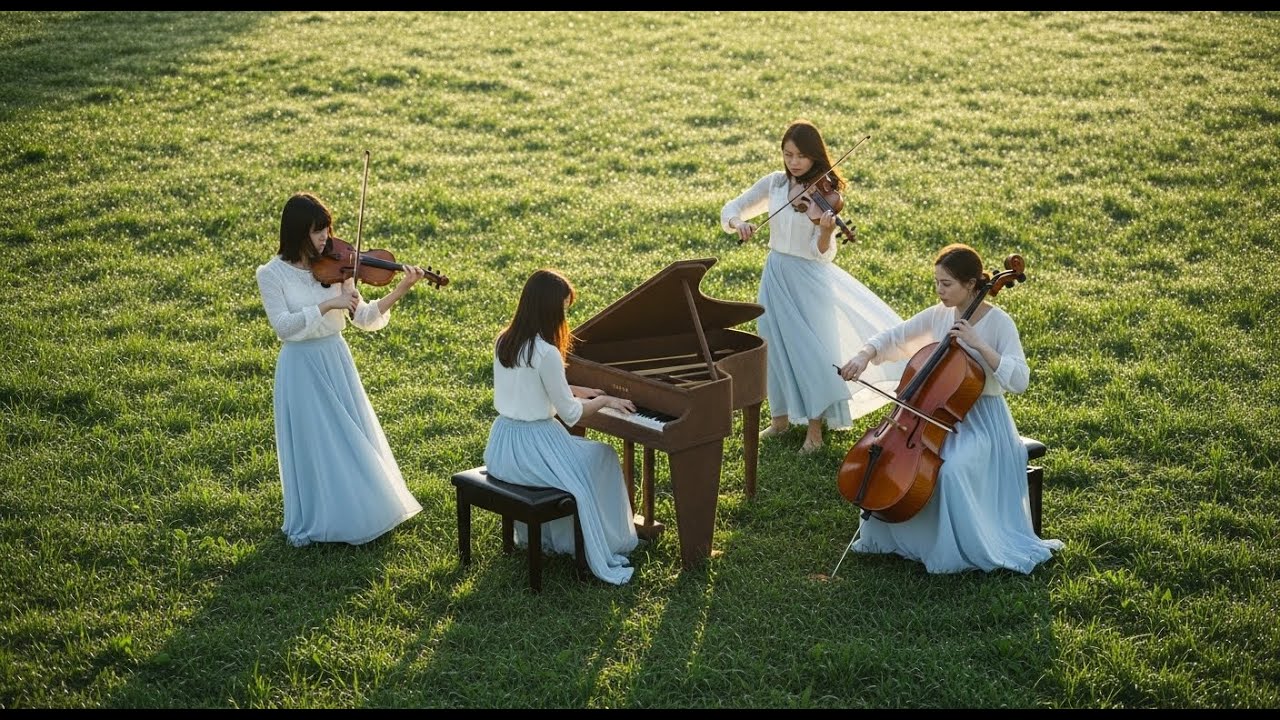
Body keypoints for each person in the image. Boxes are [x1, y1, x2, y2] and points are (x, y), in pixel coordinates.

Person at [838, 242, 1064, 574]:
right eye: (937, 283)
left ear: (972, 284)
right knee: (890, 460)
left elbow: (1019, 380)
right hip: (930, 417)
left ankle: (955, 548)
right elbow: (895, 337)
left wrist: (979, 344)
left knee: (951, 468)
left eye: (947, 284)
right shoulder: (938, 315)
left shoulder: (1000, 324)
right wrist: (864, 355)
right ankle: (900, 539)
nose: (939, 291)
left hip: (983, 420)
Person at [723, 119, 906, 455]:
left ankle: (815, 430)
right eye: (788, 154)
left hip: (808, 278)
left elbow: (822, 254)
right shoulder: (776, 184)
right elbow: (732, 208)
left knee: (812, 352)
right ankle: (779, 419)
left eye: (802, 157)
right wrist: (739, 224)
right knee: (772, 344)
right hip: (775, 272)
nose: (794, 162)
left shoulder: (826, 194)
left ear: (816, 157)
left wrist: (824, 232)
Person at [255, 191, 427, 547]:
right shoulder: (271, 274)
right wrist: (329, 302)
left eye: (327, 230)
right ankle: (323, 515)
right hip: (300, 366)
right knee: (315, 443)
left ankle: (359, 510)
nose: (326, 239)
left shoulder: (339, 266)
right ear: (298, 233)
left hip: (335, 357)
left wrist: (402, 288)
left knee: (350, 437)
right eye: (318, 232)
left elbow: (364, 318)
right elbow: (284, 327)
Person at [483, 269, 640, 586]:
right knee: (604, 456)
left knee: (585, 462)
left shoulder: (505, 340)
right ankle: (604, 542)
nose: (566, 317)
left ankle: (560, 539)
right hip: (535, 446)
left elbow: (535, 387)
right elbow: (570, 414)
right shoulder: (546, 352)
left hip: (502, 447)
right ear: (550, 310)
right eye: (564, 309)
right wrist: (606, 399)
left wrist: (581, 390)